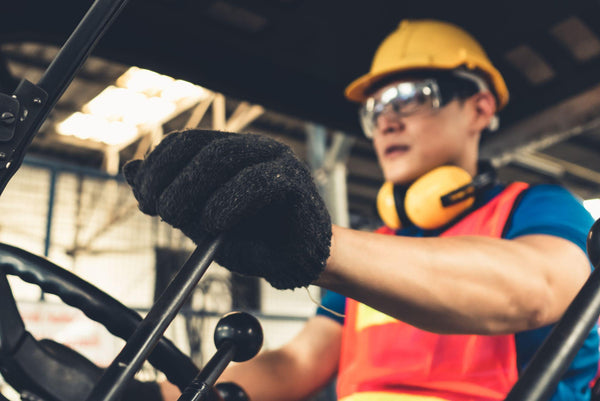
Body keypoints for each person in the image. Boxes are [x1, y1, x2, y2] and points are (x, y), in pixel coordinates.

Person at [128, 19, 599, 401]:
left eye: (410, 96)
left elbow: (535, 287)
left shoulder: (539, 208)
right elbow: (298, 365)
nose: (386, 120)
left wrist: (321, 244)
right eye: (374, 109)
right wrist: (150, 396)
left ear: (478, 108)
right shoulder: (376, 250)